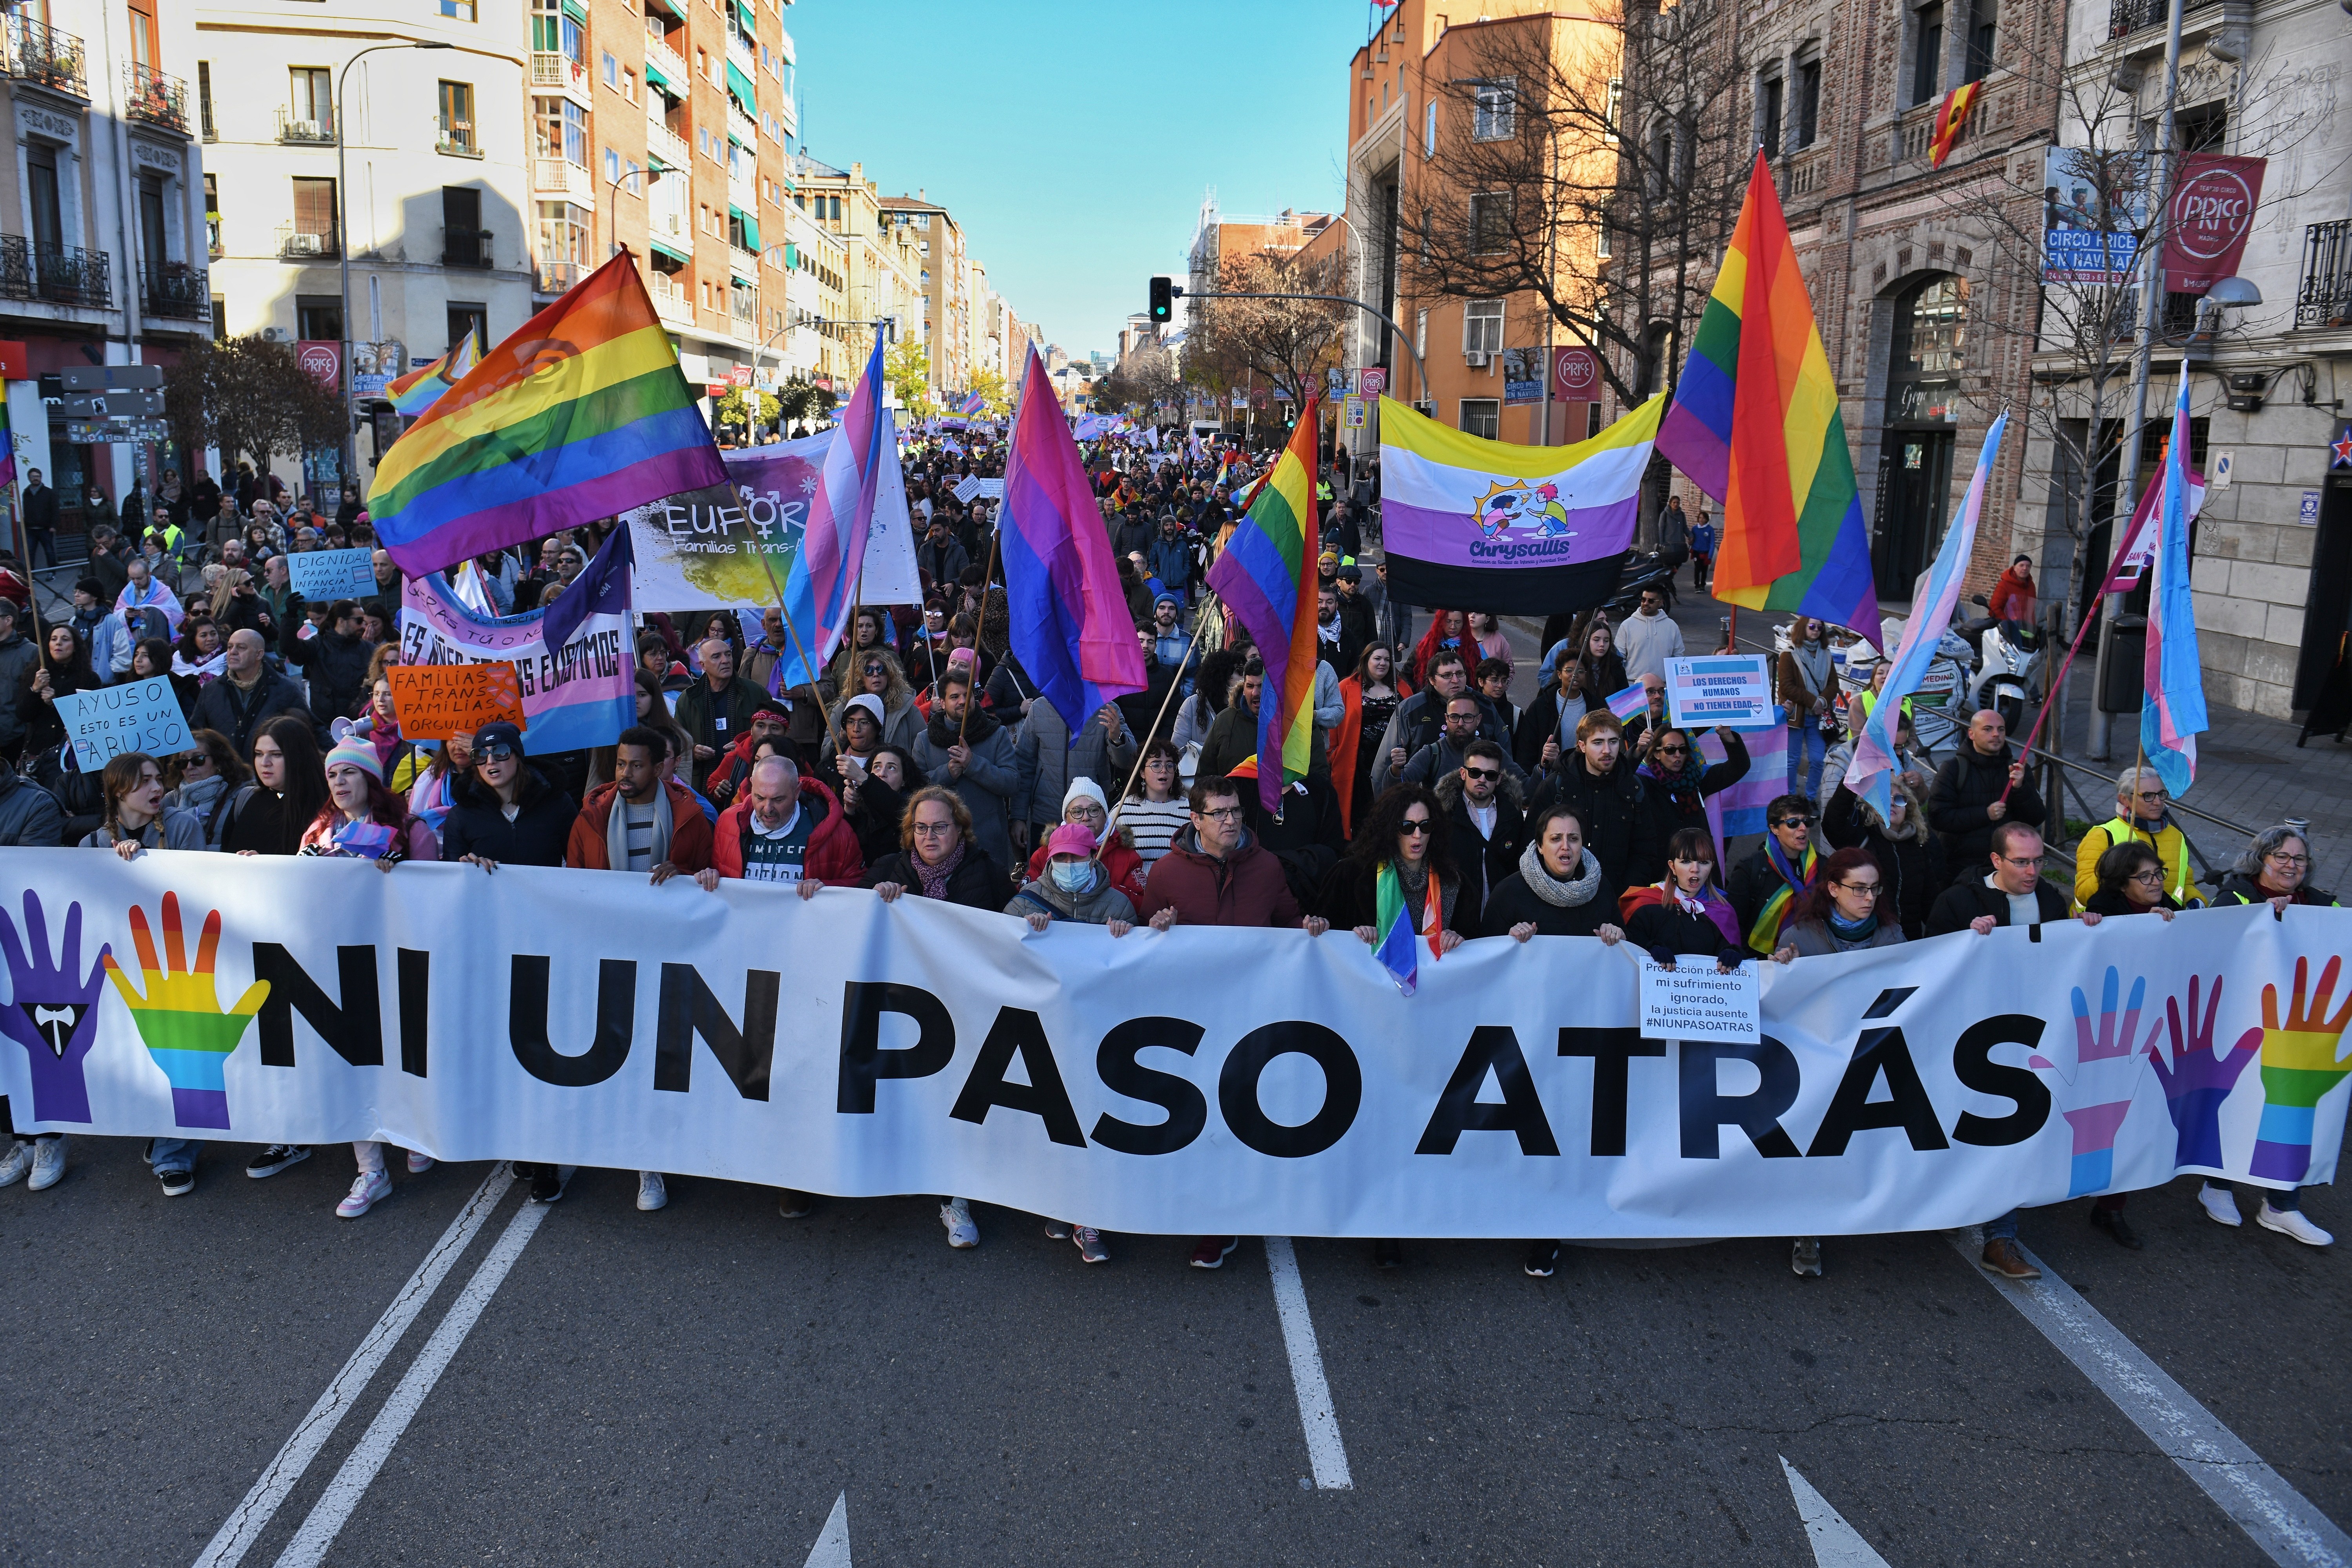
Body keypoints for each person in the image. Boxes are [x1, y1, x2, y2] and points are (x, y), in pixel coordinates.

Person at [1138, 775, 1332, 1269]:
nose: (1230, 821)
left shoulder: (1266, 867)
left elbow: (1287, 921)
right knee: (1198, 1121)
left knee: (1240, 1117)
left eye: (1235, 812)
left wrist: (1306, 928)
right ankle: (1204, 1214)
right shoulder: (1164, 873)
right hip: (1190, 1023)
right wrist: (1155, 928)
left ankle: (1219, 1225)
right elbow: (1141, 944)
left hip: (1251, 1018)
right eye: (1219, 813)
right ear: (1195, 820)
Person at [291, 738, 441, 1216]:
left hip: (397, 964)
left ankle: (415, 1131)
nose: (339, 782)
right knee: (352, 1062)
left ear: (371, 780)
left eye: (349, 773)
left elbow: (438, 898)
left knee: (403, 1054)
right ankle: (371, 1171)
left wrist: (402, 876)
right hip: (338, 966)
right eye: (333, 775)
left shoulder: (410, 830)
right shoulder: (317, 833)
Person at [1320, 785, 1459, 1271]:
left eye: (1425, 827)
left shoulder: (1453, 879)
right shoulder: (1356, 875)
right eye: (1406, 827)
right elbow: (1319, 936)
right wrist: (1348, 936)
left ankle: (1407, 1215)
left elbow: (1480, 937)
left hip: (1430, 1024)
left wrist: (1463, 938)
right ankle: (1382, 1228)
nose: (1417, 836)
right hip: (1368, 1025)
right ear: (1389, 829)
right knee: (1379, 1123)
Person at [1528, 711, 1665, 894]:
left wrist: (1625, 895)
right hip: (1560, 896)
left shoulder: (1634, 788)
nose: (1607, 750)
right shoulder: (1555, 787)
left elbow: (1644, 850)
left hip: (1617, 899)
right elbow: (1532, 845)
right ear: (1582, 746)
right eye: (1598, 742)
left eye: (1613, 742)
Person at [910, 662, 1024, 876]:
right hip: (939, 849)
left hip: (987, 844)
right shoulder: (924, 740)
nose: (963, 701)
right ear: (942, 703)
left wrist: (974, 765)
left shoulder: (996, 734)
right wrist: (946, 774)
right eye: (955, 697)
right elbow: (915, 790)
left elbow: (1011, 783)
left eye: (967, 695)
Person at [565, 725, 716, 884]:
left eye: (636, 766)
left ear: (658, 769)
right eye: (621, 764)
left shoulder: (689, 815)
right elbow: (574, 883)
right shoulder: (591, 815)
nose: (626, 773)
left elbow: (705, 878)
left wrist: (680, 874)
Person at [705, 752, 862, 888]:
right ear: (752, 785)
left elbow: (860, 885)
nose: (767, 808)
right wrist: (708, 876)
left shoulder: (836, 831)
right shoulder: (728, 823)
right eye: (759, 797)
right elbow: (714, 877)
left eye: (778, 799)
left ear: (797, 792)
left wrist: (825, 888)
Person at [1821, 775, 1943, 938]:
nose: (1892, 803)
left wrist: (1950, 936)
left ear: (1909, 807)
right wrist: (1851, 781)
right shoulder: (1861, 839)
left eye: (1899, 799)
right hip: (1871, 941)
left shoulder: (1919, 844)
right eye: (1884, 798)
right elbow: (1832, 823)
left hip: (1910, 941)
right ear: (1871, 806)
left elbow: (1931, 902)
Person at [1483, 803, 1625, 943]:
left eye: (1573, 839)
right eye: (1556, 839)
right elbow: (1487, 952)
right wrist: (1509, 939)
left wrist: (1618, 936)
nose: (1565, 847)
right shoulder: (1508, 892)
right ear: (1540, 846)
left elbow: (1629, 950)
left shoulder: (1601, 887)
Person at [1927, 708, 2047, 870]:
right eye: (1988, 729)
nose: (1996, 734)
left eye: (2001, 729)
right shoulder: (1953, 769)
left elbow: (2036, 818)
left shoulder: (2017, 769)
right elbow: (1938, 817)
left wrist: (2020, 789)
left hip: (2006, 867)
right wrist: (1985, 814)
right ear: (1972, 734)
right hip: (1961, 866)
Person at [1616, 827, 1750, 973]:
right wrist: (1650, 949)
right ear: (1672, 866)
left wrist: (1733, 953)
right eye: (1686, 861)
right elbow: (1627, 954)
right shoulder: (1645, 906)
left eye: (1704, 862)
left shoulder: (1724, 911)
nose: (1695, 869)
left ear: (1712, 866)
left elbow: (1734, 962)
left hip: (1704, 992)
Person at [2072, 767, 2201, 912]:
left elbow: (2185, 883)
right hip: (2112, 923)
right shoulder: (2102, 835)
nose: (2158, 802)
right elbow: (2083, 893)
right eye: (2148, 796)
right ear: (2125, 800)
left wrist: (2195, 899)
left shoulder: (2176, 835)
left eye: (2161, 794)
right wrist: (2116, 874)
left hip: (2168, 922)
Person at [1430, 739, 1524, 933]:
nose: (1482, 780)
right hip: (1453, 924)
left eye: (1490, 775)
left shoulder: (1513, 817)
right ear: (1463, 774)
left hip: (1502, 921)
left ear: (1499, 779)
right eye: (1475, 773)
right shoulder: (1442, 815)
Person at [673, 636, 772, 792]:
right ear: (703, 665)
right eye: (716, 656)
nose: (725, 660)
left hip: (747, 779)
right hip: (702, 782)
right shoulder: (688, 700)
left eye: (728, 654)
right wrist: (693, 750)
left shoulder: (755, 692)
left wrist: (746, 745)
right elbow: (676, 743)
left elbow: (774, 733)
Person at [191, 629, 306, 759]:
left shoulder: (285, 689)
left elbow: (309, 730)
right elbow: (195, 732)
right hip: (226, 774)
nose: (233, 652)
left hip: (267, 772)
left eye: (241, 648)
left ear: (259, 655)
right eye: (230, 647)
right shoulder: (212, 689)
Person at [1729, 794, 1820, 956]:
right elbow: (1734, 925)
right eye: (1793, 823)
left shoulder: (1822, 866)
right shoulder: (1749, 869)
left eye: (1807, 821)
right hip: (1763, 961)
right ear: (1774, 829)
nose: (1803, 828)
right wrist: (1757, 962)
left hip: (1811, 958)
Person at [226, 717, 330, 858]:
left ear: (299, 756)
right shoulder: (247, 798)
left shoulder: (328, 805)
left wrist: (269, 864)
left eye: (276, 755)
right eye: (259, 754)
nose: (265, 763)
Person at [81, 751, 205, 857]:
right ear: (119, 790)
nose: (157, 788)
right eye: (145, 781)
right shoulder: (92, 844)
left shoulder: (183, 826)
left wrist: (144, 856)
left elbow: (193, 881)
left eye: (159, 780)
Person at [280, 598, 374, 736]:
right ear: (341, 621)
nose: (363, 627)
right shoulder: (317, 645)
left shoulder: (370, 650)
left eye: (364, 622)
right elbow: (289, 648)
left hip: (359, 726)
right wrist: (291, 615)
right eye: (359, 621)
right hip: (324, 726)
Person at [1336, 642, 1401, 832]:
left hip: (1393, 761)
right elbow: (1335, 724)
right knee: (1363, 815)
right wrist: (1333, 753)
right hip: (1359, 763)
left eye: (1387, 660)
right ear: (1366, 660)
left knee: (1391, 810)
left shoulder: (1401, 686)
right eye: (1378, 659)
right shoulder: (1346, 686)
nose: (1383, 664)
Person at [164, 731, 256, 851]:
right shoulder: (172, 799)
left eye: (198, 759)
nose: (189, 767)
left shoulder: (242, 797)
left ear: (218, 761)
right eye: (183, 762)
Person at [17, 623, 98, 758]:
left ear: (75, 647)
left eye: (65, 640)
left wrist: (57, 703)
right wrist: (35, 689)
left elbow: (92, 718)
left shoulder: (89, 679)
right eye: (54, 639)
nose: (58, 643)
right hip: (37, 752)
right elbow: (22, 715)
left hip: (70, 753)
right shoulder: (35, 674)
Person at [2214, 825, 2337, 912]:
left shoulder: (2326, 905)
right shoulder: (2230, 901)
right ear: (2260, 859)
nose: (2292, 865)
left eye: (2299, 859)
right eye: (2282, 857)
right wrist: (2262, 914)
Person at [1778, 617, 1836, 797]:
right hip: (1797, 716)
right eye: (1812, 626)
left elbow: (1834, 684)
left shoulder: (1826, 655)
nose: (1816, 630)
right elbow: (1787, 686)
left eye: (1820, 627)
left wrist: (1822, 701)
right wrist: (1814, 701)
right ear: (1803, 628)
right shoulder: (1789, 654)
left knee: (1818, 759)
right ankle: (1789, 798)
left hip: (1818, 719)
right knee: (1792, 760)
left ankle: (1811, 798)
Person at [1110, 739, 1190, 867]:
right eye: (1156, 765)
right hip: (1137, 887)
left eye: (1170, 765)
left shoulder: (1190, 810)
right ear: (1142, 772)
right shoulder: (1122, 810)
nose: (1164, 770)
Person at [2083, 840, 2182, 921]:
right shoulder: (2102, 913)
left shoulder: (2167, 902)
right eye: (2144, 877)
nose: (2157, 882)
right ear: (2121, 884)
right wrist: (2148, 922)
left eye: (2158, 873)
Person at [1616, 585, 1685, 684]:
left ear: (1661, 603)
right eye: (1644, 600)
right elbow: (1619, 655)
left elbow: (1678, 656)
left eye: (1651, 601)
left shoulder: (1672, 626)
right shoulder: (1627, 625)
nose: (1646, 603)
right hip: (1633, 684)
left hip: (1662, 685)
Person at [116, 552, 184, 638]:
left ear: (149, 575)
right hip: (135, 641)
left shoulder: (163, 592)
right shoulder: (127, 591)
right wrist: (125, 614)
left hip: (157, 639)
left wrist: (150, 615)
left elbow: (177, 617)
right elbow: (117, 613)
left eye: (140, 578)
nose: (136, 582)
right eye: (132, 579)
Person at [1988, 554, 2036, 636]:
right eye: (2021, 565)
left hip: (2027, 629)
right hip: (2008, 629)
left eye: (2028, 566)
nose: (2025, 568)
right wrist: (2008, 624)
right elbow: (1994, 609)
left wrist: (2034, 627)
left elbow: (2032, 609)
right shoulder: (2004, 585)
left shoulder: (2031, 586)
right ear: (2014, 568)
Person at [21, 467, 56, 568]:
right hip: (30, 529)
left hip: (45, 529)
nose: (35, 479)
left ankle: (52, 572)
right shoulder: (26, 493)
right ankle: (32, 574)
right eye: (33, 476)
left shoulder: (49, 493)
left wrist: (53, 525)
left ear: (41, 478)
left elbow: (55, 510)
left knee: (49, 552)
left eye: (37, 476)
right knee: (30, 553)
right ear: (29, 478)